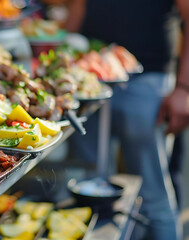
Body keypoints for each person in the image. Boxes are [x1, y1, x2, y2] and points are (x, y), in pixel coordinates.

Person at [65, 0, 189, 239]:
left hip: (147, 81)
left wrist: (184, 88)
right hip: (89, 82)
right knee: (87, 188)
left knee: (152, 190)